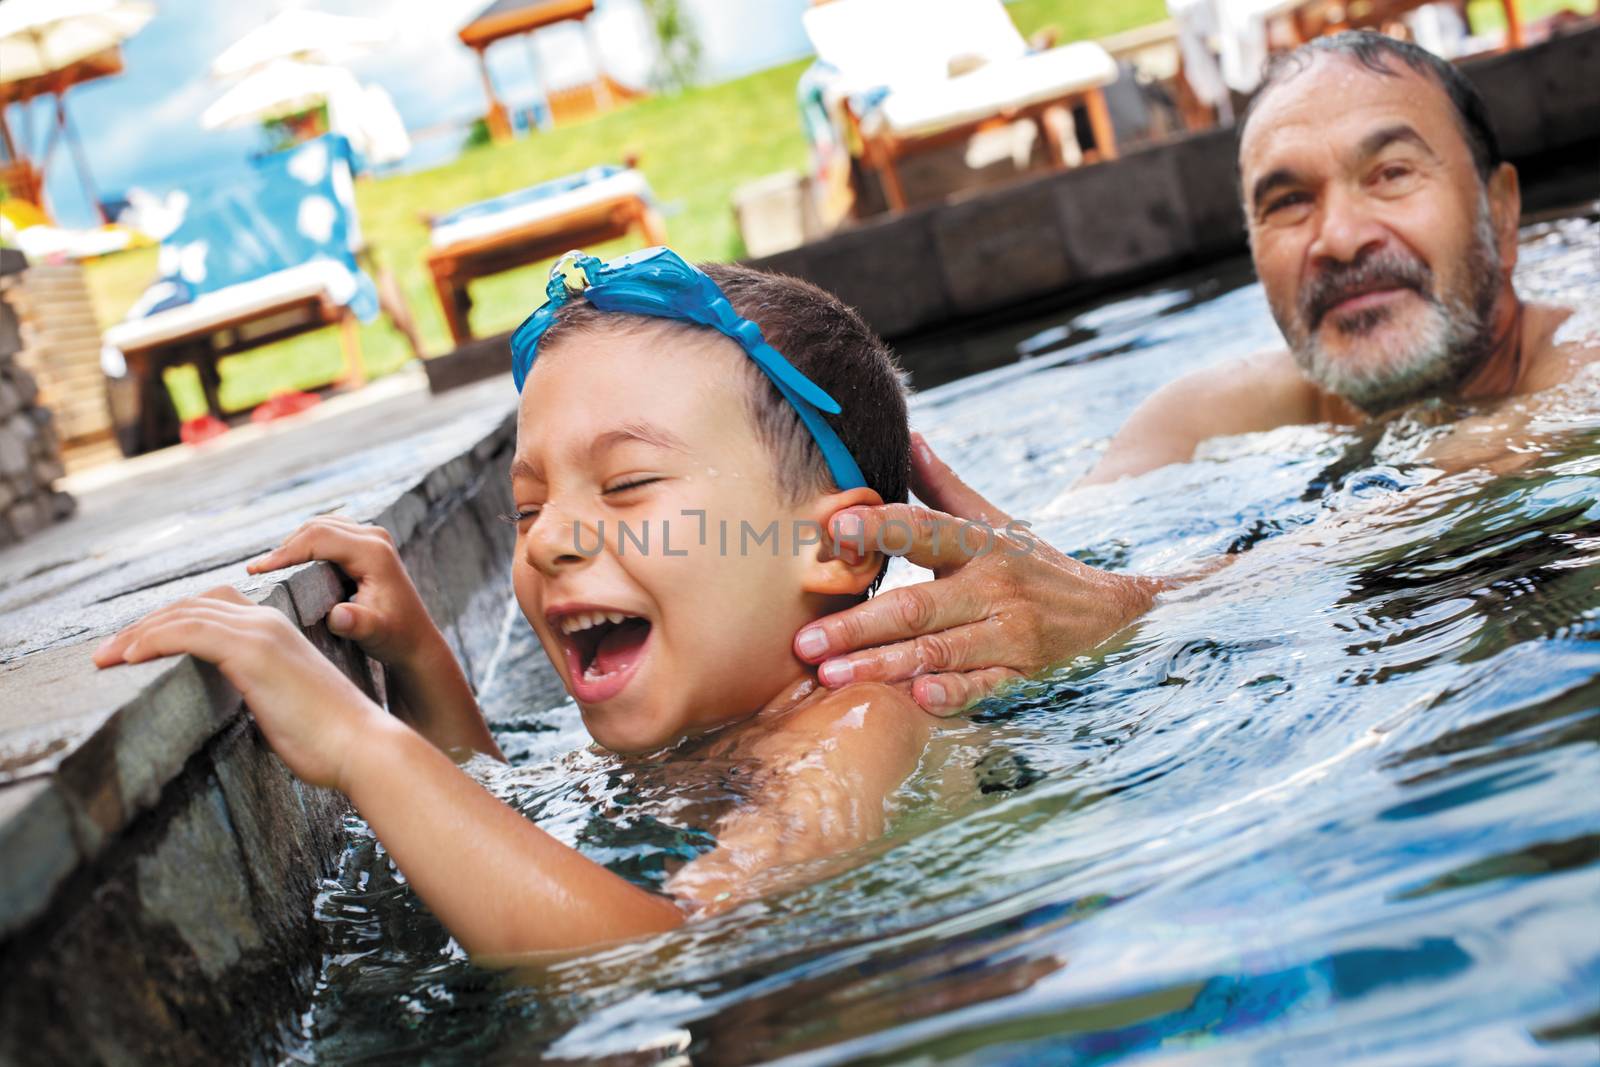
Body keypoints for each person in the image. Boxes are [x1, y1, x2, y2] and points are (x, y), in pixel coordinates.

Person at [94, 249, 935, 960]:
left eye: (628, 485)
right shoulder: (712, 725)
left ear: (834, 547)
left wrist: (363, 745)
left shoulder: (859, 727)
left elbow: (667, 956)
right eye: (527, 507)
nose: (545, 542)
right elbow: (503, 826)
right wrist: (419, 659)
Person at [792, 31, 1599, 714]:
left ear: (1500, 208)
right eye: (1288, 202)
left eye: (1390, 173)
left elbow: (1467, 477)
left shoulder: (1585, 367)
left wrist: (1135, 608)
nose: (1342, 236)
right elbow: (1061, 557)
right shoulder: (1205, 415)